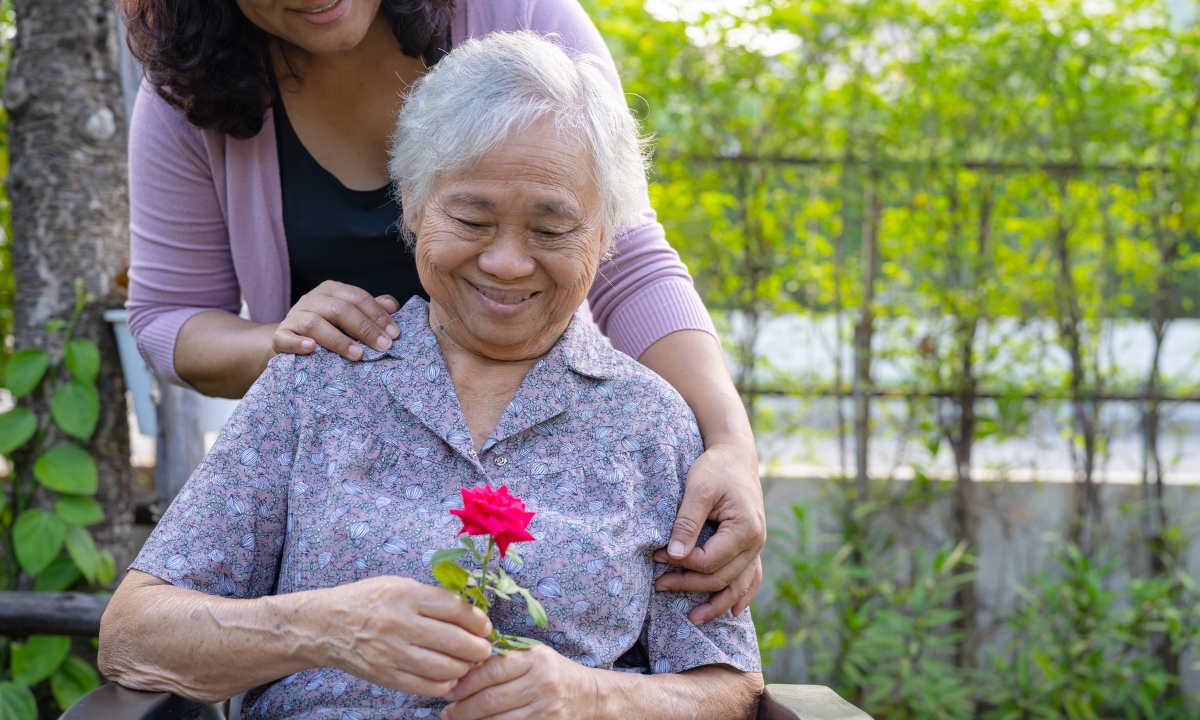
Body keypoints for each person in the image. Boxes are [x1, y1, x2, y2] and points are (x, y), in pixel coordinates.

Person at [98, 33, 764, 719]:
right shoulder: (318, 383)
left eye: (551, 230)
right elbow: (133, 634)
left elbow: (731, 687)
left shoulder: (651, 423)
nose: (506, 262)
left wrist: (594, 695)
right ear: (413, 206)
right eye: (471, 218)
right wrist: (323, 627)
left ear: (604, 236)